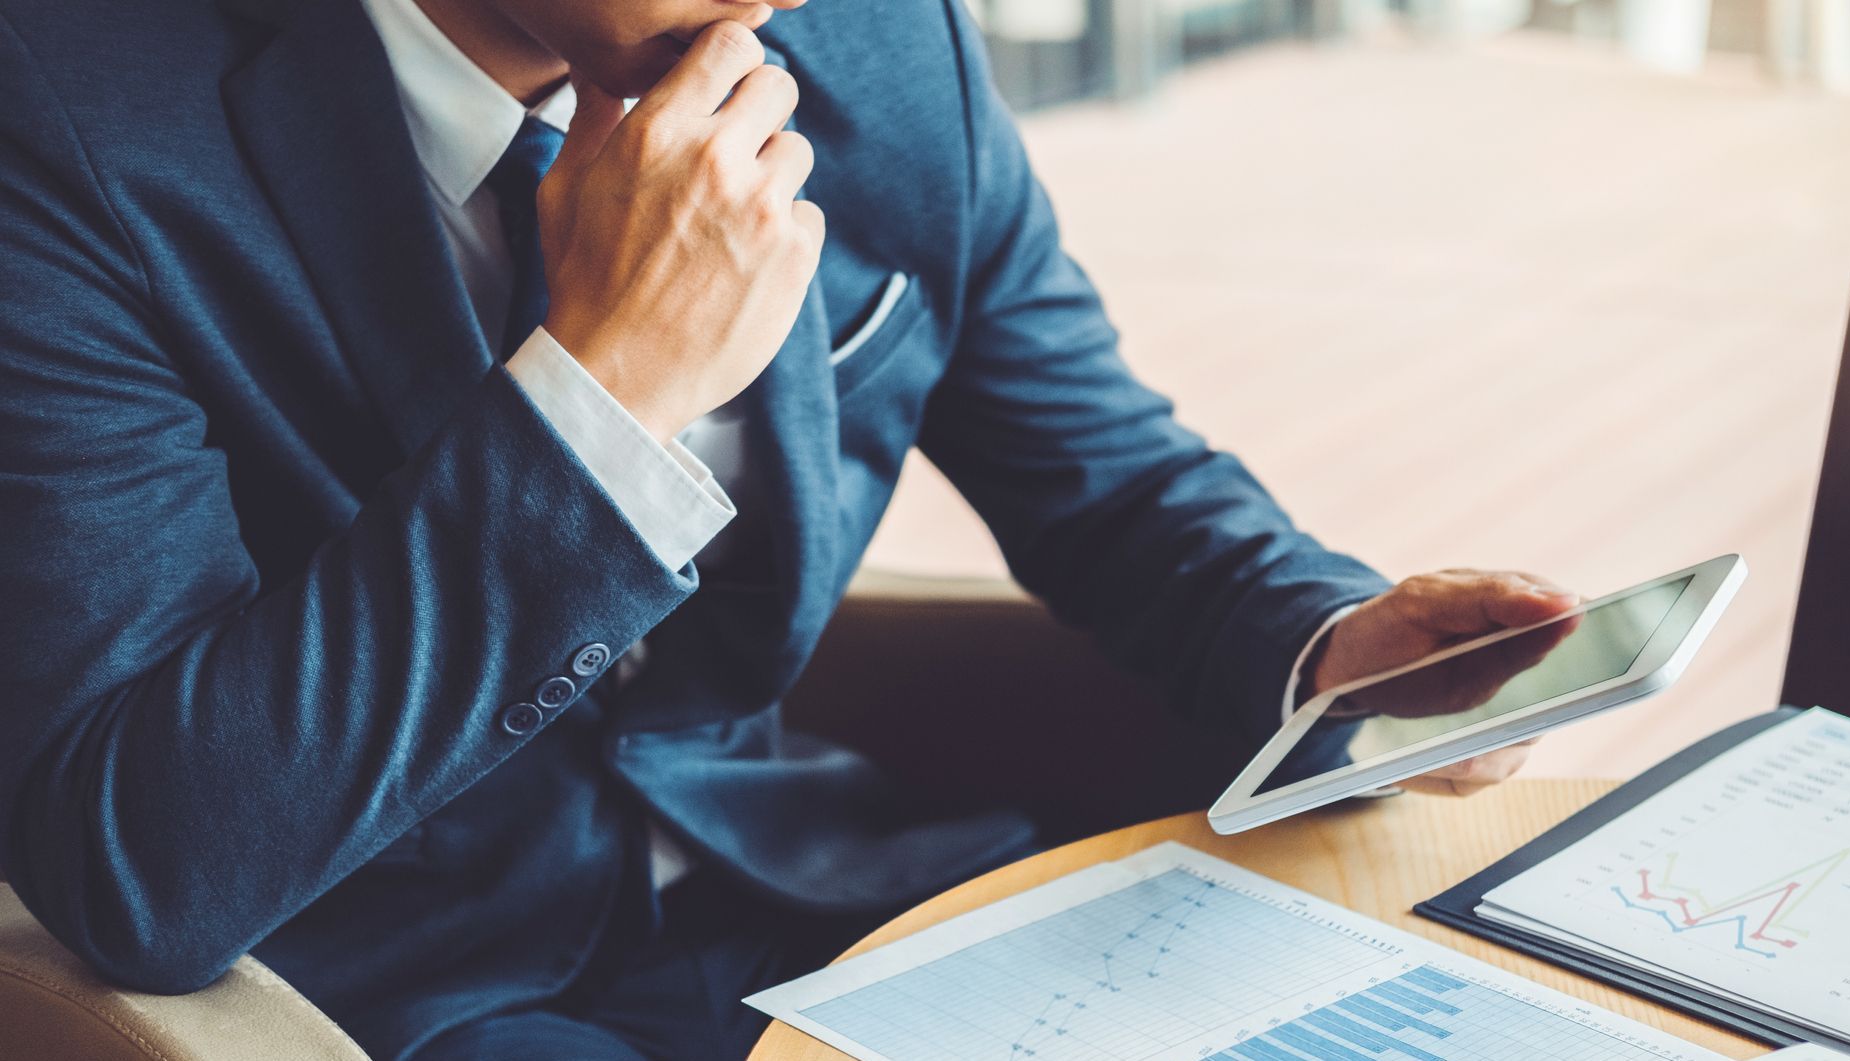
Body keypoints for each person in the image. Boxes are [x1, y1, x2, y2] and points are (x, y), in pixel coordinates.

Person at [0, 0, 1576, 1056]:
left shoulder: (885, 50)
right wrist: (601, 395)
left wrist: (1324, 638)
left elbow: (1106, 475)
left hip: (825, 886)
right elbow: (140, 857)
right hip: (403, 990)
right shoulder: (64, 123)